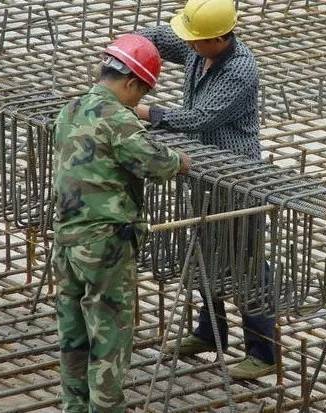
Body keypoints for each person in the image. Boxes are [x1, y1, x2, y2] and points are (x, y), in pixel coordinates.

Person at [136, 0, 276, 380]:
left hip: (236, 175)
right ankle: (209, 332)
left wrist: (142, 110)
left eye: (197, 43)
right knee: (203, 249)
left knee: (244, 260)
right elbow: (160, 37)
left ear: (219, 38)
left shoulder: (240, 69)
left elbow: (199, 117)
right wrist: (129, 48)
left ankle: (262, 353)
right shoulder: (200, 46)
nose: (191, 48)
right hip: (202, 170)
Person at [52, 34, 191, 413]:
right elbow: (155, 163)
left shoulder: (71, 108)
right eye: (140, 94)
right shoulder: (118, 119)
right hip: (104, 245)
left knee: (73, 330)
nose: (138, 103)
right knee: (109, 331)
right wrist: (179, 159)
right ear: (131, 82)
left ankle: (74, 406)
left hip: (66, 239)